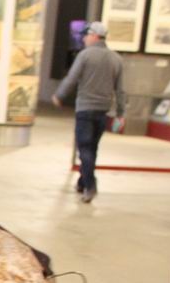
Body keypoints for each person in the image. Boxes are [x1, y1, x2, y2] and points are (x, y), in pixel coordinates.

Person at [53, 21, 126, 203]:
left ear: (94, 36)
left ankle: (90, 186)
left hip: (85, 110)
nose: (84, 39)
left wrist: (60, 95)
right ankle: (82, 181)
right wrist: (120, 113)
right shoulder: (116, 59)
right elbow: (121, 90)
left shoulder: (85, 56)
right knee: (92, 148)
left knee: (84, 148)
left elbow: (72, 78)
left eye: (86, 36)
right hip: (102, 111)